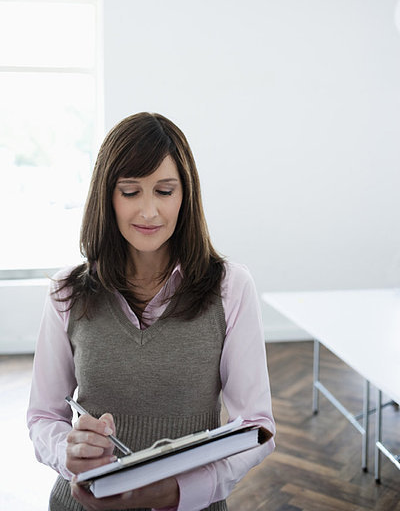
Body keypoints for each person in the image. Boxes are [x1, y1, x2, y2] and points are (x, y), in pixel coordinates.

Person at [27, 112, 276, 511]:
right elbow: (43, 415)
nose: (148, 212)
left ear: (185, 195)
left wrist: (179, 491)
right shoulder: (67, 291)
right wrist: (68, 455)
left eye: (164, 191)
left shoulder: (231, 287)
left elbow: (257, 427)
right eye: (130, 192)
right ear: (107, 196)